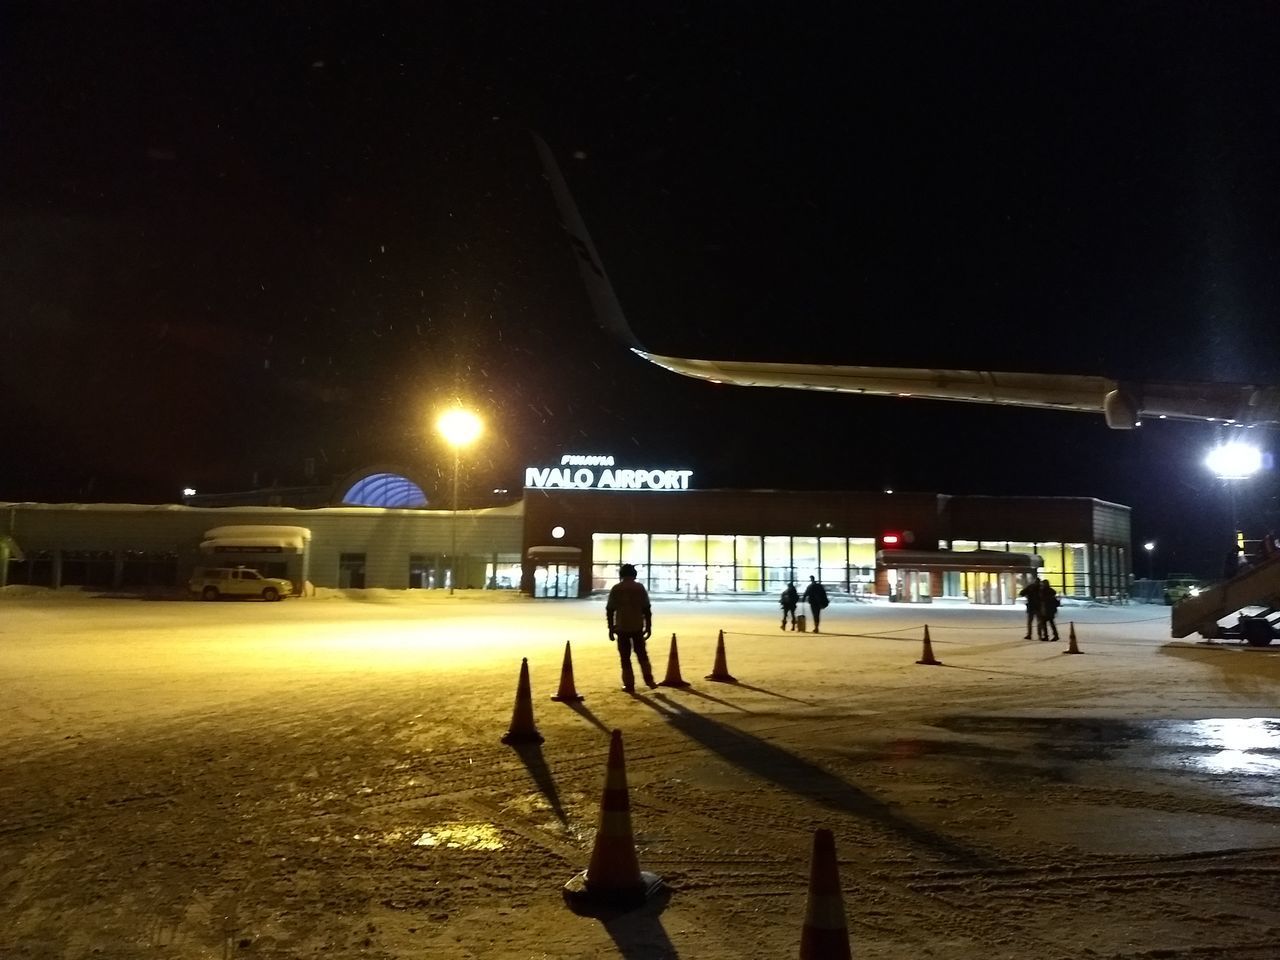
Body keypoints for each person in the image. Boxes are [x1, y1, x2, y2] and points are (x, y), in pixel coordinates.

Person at [606, 563, 656, 693]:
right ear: (634, 574)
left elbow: (610, 610)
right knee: (642, 655)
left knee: (625, 657)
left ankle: (629, 684)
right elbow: (646, 609)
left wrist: (611, 628)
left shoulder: (616, 588)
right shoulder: (640, 588)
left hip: (622, 627)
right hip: (637, 626)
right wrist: (648, 626)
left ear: (621, 574)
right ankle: (649, 680)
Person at [1018, 575, 1041, 640]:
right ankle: (1039, 635)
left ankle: (1029, 634)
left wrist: (1027, 595)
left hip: (1031, 606)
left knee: (1030, 622)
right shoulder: (1040, 588)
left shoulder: (1031, 587)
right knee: (1039, 622)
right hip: (1038, 607)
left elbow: (1022, 593)